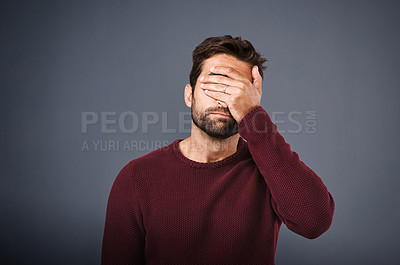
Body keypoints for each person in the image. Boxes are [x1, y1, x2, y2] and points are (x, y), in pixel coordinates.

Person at [101, 35, 335, 265]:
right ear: (189, 95)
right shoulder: (137, 177)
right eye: (214, 86)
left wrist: (253, 116)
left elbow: (314, 222)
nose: (224, 101)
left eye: (236, 91)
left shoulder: (269, 170)